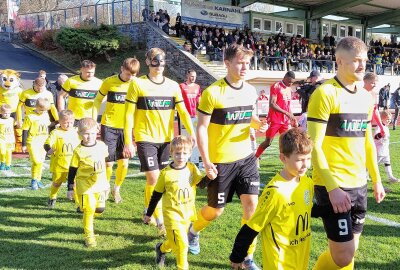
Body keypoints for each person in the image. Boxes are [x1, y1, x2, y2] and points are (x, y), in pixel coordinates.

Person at [308, 36, 385, 269]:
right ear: (339, 61)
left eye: (365, 61)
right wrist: (332, 187)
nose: (362, 66)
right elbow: (314, 145)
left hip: (358, 183)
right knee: (343, 256)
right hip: (334, 185)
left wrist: (377, 179)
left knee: (348, 253)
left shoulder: (365, 97)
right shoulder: (325, 93)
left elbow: (368, 142)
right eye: (356, 61)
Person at [188, 44, 267, 270]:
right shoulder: (213, 93)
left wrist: (257, 123)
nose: (244, 67)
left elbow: (248, 116)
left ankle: (246, 258)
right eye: (240, 63)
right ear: (227, 63)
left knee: (252, 207)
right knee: (215, 212)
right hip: (221, 161)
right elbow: (201, 128)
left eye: (247, 63)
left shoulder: (250, 91)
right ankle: (193, 231)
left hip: (246, 158)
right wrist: (206, 160)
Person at [123, 48, 196, 236]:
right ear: (147, 62)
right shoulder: (137, 84)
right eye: (154, 62)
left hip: (166, 140)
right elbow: (128, 115)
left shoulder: (173, 86)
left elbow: (183, 112)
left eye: (161, 62)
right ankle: (162, 222)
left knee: (156, 180)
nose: (158, 66)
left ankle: (149, 208)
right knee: (155, 179)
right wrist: (128, 141)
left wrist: (192, 132)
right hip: (145, 138)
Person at [230, 128, 313, 270]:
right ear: (283, 158)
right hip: (279, 263)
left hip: (301, 257)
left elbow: (306, 208)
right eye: (299, 160)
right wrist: (237, 255)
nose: (305, 165)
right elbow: (252, 227)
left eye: (308, 159)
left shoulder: (306, 182)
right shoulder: (275, 192)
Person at [144, 136, 216, 269]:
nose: (181, 156)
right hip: (172, 216)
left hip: (187, 214)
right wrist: (149, 214)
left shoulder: (192, 168)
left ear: (189, 153)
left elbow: (200, 184)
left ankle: (161, 249)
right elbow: (156, 195)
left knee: (175, 241)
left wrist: (209, 177)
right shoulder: (166, 173)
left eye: (184, 153)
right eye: (177, 153)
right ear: (171, 153)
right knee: (182, 245)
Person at [92, 58, 140, 203]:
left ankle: (116, 189)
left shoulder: (138, 84)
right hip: (109, 126)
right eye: (127, 74)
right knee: (108, 163)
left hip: (128, 128)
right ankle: (105, 187)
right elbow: (97, 101)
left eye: (134, 75)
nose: (130, 77)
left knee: (124, 163)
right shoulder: (109, 82)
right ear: (121, 68)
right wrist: (95, 121)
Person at [66, 117, 109, 248]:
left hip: (100, 184)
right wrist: (70, 187)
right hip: (85, 185)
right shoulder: (78, 151)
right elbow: (72, 169)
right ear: (79, 134)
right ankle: (89, 236)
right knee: (90, 209)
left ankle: (85, 214)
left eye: (92, 133)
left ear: (97, 131)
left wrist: (107, 183)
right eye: (85, 133)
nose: (89, 136)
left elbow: (105, 163)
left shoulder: (102, 146)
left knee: (100, 209)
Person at [255, 71, 297, 159]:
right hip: (274, 120)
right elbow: (272, 104)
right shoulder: (276, 86)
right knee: (268, 142)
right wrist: (286, 113)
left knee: (288, 142)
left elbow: (287, 106)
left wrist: (293, 117)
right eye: (289, 81)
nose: (290, 84)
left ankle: (287, 162)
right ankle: (255, 157)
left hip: (285, 121)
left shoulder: (289, 89)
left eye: (292, 82)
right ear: (285, 77)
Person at [45, 110, 80, 209]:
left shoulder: (76, 131)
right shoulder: (55, 133)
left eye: (71, 122)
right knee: (57, 183)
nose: (69, 124)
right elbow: (47, 143)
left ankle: (78, 204)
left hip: (73, 164)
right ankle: (52, 197)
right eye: (66, 122)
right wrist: (49, 149)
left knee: (75, 184)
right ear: (60, 122)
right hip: (59, 164)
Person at [57, 60, 103, 124]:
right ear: (81, 69)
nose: (90, 75)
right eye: (88, 72)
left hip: (90, 119)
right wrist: (61, 112)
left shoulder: (99, 83)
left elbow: (104, 98)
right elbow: (61, 96)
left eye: (92, 72)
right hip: (73, 119)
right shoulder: (71, 81)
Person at [21, 98, 51, 190]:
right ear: (36, 107)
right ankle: (34, 180)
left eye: (45, 110)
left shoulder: (45, 115)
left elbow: (48, 126)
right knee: (36, 161)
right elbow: (25, 130)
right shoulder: (29, 116)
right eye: (42, 110)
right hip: (33, 142)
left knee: (41, 162)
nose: (43, 112)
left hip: (43, 142)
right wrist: (24, 144)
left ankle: (38, 179)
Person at [374, 110, 399, 183]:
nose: (389, 121)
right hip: (379, 150)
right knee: (374, 164)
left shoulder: (386, 127)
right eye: (387, 119)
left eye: (390, 119)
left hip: (385, 150)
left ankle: (390, 177)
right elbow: (375, 137)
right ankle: (365, 176)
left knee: (387, 163)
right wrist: (380, 135)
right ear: (381, 119)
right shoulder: (379, 127)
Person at [0, 104, 15, 170]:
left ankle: (8, 164)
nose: (7, 114)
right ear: (1, 112)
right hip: (2, 139)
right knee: (2, 152)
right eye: (5, 113)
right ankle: (2, 162)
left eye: (9, 113)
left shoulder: (12, 119)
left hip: (10, 140)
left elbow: (16, 125)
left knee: (9, 152)